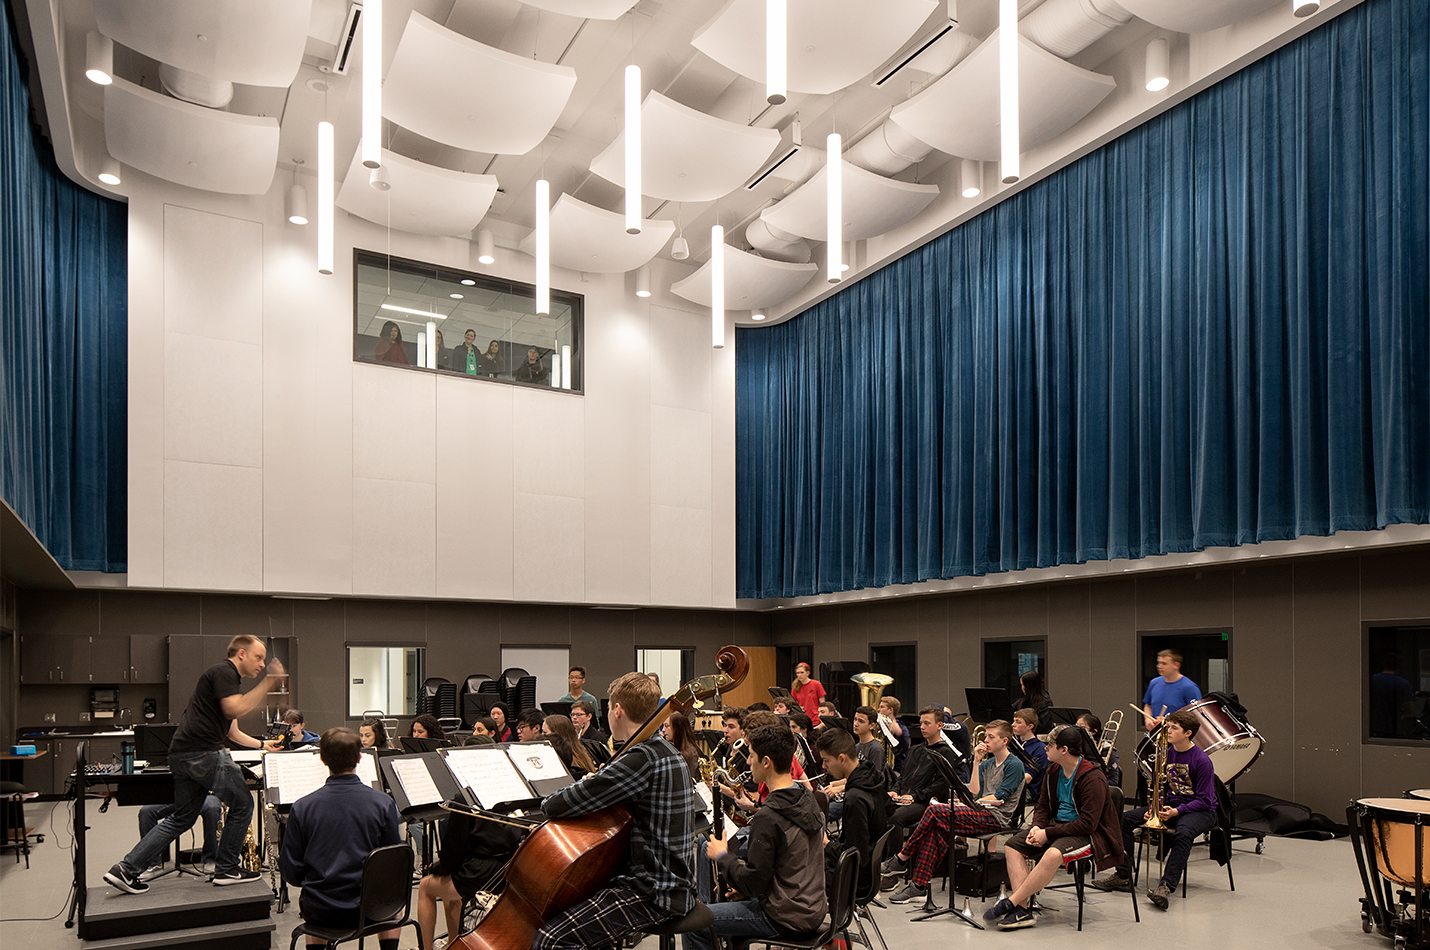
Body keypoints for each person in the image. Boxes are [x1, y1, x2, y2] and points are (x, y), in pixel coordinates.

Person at [105, 634, 285, 894]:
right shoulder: (225, 671)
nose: (261, 664)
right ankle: (226, 868)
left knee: (182, 818)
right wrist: (269, 683)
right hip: (203, 753)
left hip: (182, 754)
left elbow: (232, 731)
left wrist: (261, 745)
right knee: (243, 803)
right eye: (258, 657)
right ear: (241, 654)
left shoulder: (225, 680)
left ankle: (125, 868)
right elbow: (233, 709)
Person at [533, 672, 696, 950]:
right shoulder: (665, 750)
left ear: (617, 710)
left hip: (654, 891)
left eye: (609, 708)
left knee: (552, 938)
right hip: (675, 880)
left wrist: (588, 782)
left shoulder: (641, 757)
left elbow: (556, 804)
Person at [685, 724, 827, 950]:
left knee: (694, 922)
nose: (748, 762)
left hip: (785, 917)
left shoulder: (769, 817)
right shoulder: (807, 798)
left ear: (766, 762)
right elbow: (783, 867)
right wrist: (744, 885)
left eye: (751, 756)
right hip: (812, 908)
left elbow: (753, 882)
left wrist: (722, 856)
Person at [985, 726, 1123, 930]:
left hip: (1088, 834)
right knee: (1012, 845)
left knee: (1052, 854)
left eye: (1049, 745)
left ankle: (1012, 902)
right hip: (1056, 827)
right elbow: (1042, 805)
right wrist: (1037, 827)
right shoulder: (1054, 770)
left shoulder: (1092, 777)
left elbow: (1088, 824)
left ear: (1064, 749)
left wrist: (1046, 833)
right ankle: (1022, 910)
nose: (1045, 749)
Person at [279, 728, 403, 950]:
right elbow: (393, 864)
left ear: (322, 759)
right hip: (372, 909)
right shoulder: (383, 803)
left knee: (313, 897)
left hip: (321, 909)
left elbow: (291, 872)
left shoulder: (302, 807)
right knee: (392, 901)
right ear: (359, 758)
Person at [881, 720, 1025, 903]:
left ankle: (901, 858)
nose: (986, 741)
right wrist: (976, 762)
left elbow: (998, 799)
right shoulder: (987, 765)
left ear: (1005, 740)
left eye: (991, 737)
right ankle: (918, 886)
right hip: (980, 812)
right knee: (936, 829)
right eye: (986, 736)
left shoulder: (1014, 764)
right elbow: (974, 791)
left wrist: (970, 804)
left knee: (934, 812)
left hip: (996, 818)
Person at [1093, 709, 1217, 909]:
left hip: (1200, 811)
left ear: (1187, 733)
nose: (1168, 731)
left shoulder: (1201, 760)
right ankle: (1123, 875)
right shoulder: (1167, 753)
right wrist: (1154, 809)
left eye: (1174, 728)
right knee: (1123, 819)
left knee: (1184, 834)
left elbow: (1205, 800)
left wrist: (1177, 812)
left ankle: (1166, 886)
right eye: (1168, 727)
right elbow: (1162, 787)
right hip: (1171, 806)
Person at [417, 736, 525, 950]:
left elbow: (455, 847)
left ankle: (426, 948)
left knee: (425, 886)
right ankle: (454, 944)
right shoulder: (514, 787)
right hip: (511, 866)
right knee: (450, 887)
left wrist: (439, 868)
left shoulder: (465, 796)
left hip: (480, 872)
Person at [817, 727, 887, 899]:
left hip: (854, 879)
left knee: (796, 877)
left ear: (842, 758)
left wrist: (826, 845)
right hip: (868, 871)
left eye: (826, 761)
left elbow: (856, 855)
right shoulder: (870, 775)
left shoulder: (856, 798)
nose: (823, 767)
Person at [885, 706, 962, 849]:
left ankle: (894, 862)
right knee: (877, 810)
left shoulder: (945, 752)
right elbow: (902, 777)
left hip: (925, 802)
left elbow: (941, 786)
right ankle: (876, 858)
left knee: (894, 818)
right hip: (905, 798)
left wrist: (914, 796)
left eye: (927, 723)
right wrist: (895, 790)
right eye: (921, 723)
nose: (922, 727)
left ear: (939, 725)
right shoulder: (915, 749)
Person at [136, 795, 222, 878]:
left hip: (206, 795)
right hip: (178, 794)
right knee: (146, 811)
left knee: (212, 808)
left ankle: (210, 859)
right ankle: (152, 863)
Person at [1142, 649, 1202, 730]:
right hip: (1156, 734)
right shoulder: (1154, 683)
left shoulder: (1190, 688)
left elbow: (1197, 716)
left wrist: (1169, 722)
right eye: (1158, 663)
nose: (1159, 666)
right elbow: (1148, 706)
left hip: (1178, 737)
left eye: (1164, 663)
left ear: (1176, 665)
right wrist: (1148, 720)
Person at [1370, 653, 1416, 738]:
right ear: (1399, 666)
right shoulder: (1403, 683)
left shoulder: (1371, 680)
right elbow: (1409, 708)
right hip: (1394, 727)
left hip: (1371, 727)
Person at [1077, 712, 1122, 789]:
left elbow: (1114, 782)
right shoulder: (1074, 748)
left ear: (1093, 732)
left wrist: (1090, 784)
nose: (1077, 730)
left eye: (1082, 727)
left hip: (1097, 789)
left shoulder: (1107, 751)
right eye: (1076, 726)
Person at [1012, 708, 1048, 802]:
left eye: (1018, 722)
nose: (1013, 725)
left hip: (1026, 791)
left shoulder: (1040, 748)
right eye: (1014, 721)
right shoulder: (1013, 744)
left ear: (1030, 726)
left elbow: (1027, 778)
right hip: (1007, 785)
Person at [662, 711, 703, 778]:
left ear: (677, 728)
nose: (663, 730)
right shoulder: (674, 747)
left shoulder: (689, 754)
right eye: (663, 726)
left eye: (667, 726)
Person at [877, 696, 912, 771]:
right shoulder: (877, 726)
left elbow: (905, 748)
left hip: (896, 769)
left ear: (891, 710)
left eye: (882, 707)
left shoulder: (901, 728)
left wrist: (898, 734)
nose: (878, 710)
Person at [851, 706, 887, 778]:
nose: (856, 724)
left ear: (871, 726)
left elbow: (874, 778)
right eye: (855, 719)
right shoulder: (856, 747)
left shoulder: (876, 749)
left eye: (861, 721)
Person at [1018, 670, 1054, 734]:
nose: (1022, 688)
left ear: (1030, 687)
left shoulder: (1046, 702)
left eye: (1023, 685)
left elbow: (1040, 725)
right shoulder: (1024, 699)